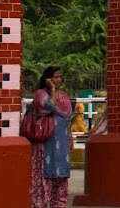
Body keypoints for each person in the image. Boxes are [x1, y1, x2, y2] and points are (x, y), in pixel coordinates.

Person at [28, 66, 73, 208]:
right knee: (45, 175)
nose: (59, 80)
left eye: (60, 77)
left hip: (62, 139)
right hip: (46, 141)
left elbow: (67, 118)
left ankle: (59, 204)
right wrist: (52, 90)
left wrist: (70, 138)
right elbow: (46, 108)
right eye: (55, 77)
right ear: (47, 79)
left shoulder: (64, 95)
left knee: (61, 174)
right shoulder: (40, 94)